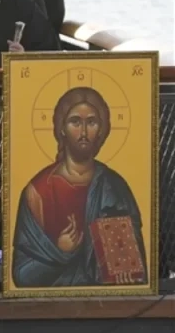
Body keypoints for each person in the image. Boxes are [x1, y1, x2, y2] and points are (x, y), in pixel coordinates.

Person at [12, 87, 147, 288]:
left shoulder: (115, 187)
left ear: (101, 130)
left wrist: (124, 266)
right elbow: (22, 274)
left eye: (91, 122)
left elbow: (135, 265)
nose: (83, 132)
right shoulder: (38, 192)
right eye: (75, 122)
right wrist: (61, 252)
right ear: (62, 128)